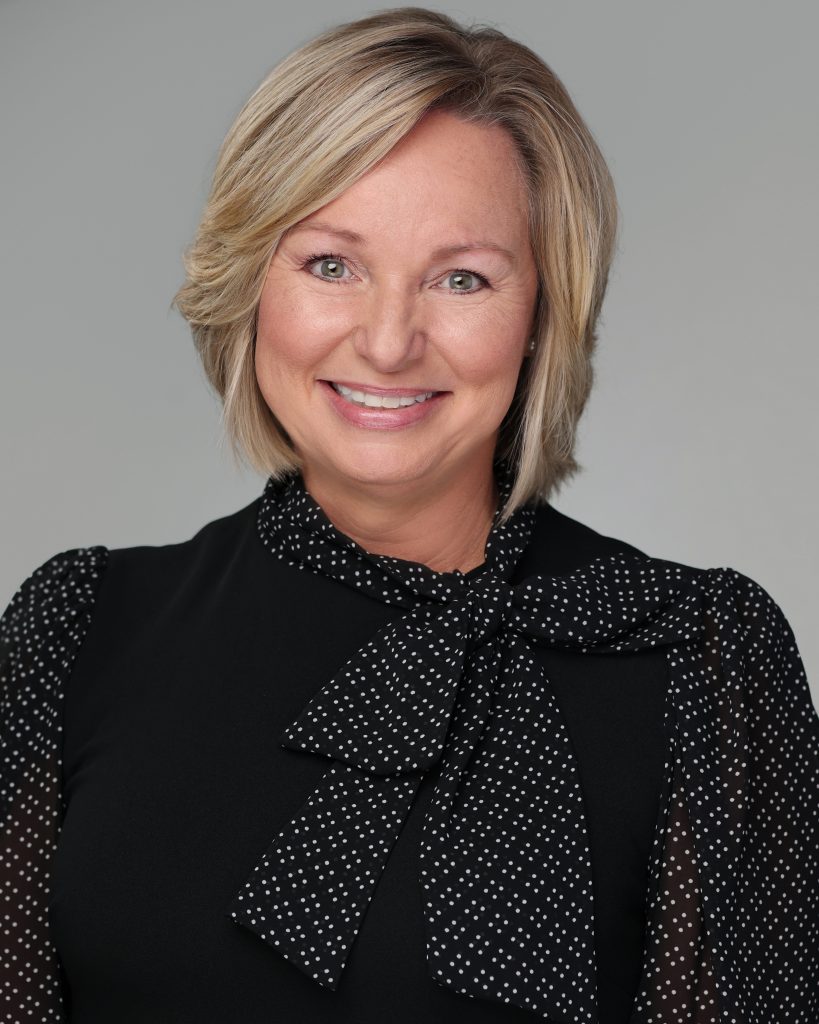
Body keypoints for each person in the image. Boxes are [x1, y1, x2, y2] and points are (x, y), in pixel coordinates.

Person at [2, 8, 817, 1024]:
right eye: (330, 264)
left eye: (460, 278)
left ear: (540, 317)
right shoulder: (77, 630)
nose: (388, 342)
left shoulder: (696, 657)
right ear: (251, 283)